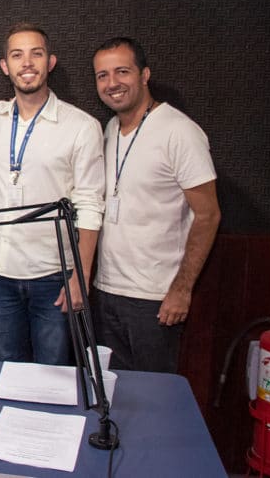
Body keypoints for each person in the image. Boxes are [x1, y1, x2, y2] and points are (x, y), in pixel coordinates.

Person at [0, 23, 104, 364]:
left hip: (53, 277)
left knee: (53, 377)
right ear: (5, 66)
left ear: (50, 62)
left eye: (36, 54)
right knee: (7, 370)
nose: (27, 63)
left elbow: (89, 204)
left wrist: (80, 277)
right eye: (17, 55)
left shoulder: (81, 126)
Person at [91, 37, 220, 373]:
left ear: (144, 74)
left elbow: (208, 215)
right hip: (106, 292)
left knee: (153, 399)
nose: (112, 83)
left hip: (153, 299)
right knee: (115, 395)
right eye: (102, 75)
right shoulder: (109, 129)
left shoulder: (179, 132)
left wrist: (182, 289)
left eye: (122, 71)